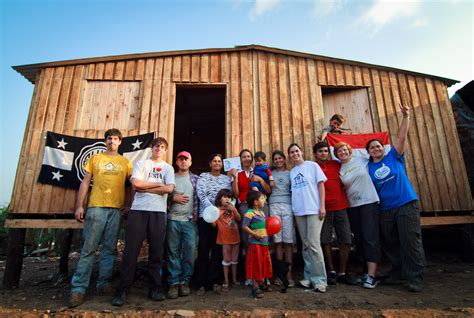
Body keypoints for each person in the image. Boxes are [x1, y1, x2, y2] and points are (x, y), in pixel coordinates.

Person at [68, 128, 133, 308]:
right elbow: (84, 182)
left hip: (116, 210)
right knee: (88, 248)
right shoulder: (95, 159)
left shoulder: (126, 162)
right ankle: (78, 289)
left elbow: (132, 186)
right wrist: (80, 205)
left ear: (120, 142)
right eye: (109, 138)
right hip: (95, 207)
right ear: (105, 141)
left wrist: (130, 204)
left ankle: (103, 284)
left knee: (109, 249)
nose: (112, 141)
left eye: (115, 139)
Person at [366, 104, 426, 292]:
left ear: (383, 148)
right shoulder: (368, 168)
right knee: (391, 243)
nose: (376, 149)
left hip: (406, 204)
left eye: (378, 146)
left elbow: (401, 137)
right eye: (372, 148)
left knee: (410, 241)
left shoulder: (394, 157)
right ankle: (398, 272)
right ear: (368, 152)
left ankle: (414, 277)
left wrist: (406, 117)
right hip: (385, 209)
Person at [111, 137, 175, 306]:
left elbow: (169, 188)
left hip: (158, 213)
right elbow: (136, 185)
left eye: (162, 147)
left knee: (156, 253)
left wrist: (147, 186)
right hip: (138, 210)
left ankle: (155, 288)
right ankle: (122, 290)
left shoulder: (168, 168)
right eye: (156, 146)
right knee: (131, 252)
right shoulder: (141, 164)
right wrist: (158, 186)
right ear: (151, 148)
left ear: (165, 150)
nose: (158, 149)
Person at [335, 141, 381, 289]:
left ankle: (372, 276)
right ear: (336, 155)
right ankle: (365, 272)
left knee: (370, 237)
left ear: (349, 150)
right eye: (339, 151)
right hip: (353, 206)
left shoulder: (361, 159)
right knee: (360, 239)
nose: (342, 152)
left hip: (369, 202)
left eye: (344, 150)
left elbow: (377, 155)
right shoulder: (340, 169)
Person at [288, 143, 328, 293]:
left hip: (314, 210)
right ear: (290, 156)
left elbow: (321, 186)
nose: (295, 154)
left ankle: (320, 280)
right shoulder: (292, 172)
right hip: (299, 212)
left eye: (297, 151)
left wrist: (322, 206)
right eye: (292, 152)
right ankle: (309, 277)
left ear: (302, 152)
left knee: (313, 244)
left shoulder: (312, 166)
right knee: (305, 245)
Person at [313, 142, 354, 285]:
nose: (323, 153)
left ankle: (342, 272)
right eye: (320, 151)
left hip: (341, 206)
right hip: (323, 209)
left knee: (346, 239)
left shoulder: (337, 164)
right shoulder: (312, 167)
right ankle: (330, 271)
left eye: (325, 151)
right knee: (325, 240)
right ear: (315, 154)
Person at [195, 153, 232, 295]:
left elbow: (229, 197)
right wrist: (212, 211)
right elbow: (201, 194)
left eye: (219, 161)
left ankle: (215, 281)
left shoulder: (226, 179)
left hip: (222, 219)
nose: (217, 163)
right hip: (205, 217)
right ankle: (201, 283)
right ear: (210, 163)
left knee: (217, 250)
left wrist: (220, 213)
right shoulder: (203, 176)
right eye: (214, 161)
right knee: (203, 249)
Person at [166, 151, 199, 299]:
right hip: (172, 219)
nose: (183, 162)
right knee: (173, 252)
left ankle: (185, 281)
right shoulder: (170, 177)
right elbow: (162, 194)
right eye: (181, 159)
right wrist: (173, 197)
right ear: (177, 162)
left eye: (186, 159)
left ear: (191, 162)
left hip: (189, 221)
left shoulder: (196, 179)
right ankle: (174, 283)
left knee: (190, 252)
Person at [268, 150, 295, 287]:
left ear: (284, 160)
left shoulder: (291, 173)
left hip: (288, 205)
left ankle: (289, 274)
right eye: (275, 159)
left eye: (280, 158)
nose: (278, 161)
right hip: (273, 205)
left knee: (288, 241)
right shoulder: (270, 173)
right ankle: (280, 275)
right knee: (277, 241)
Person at [242, 190, 273, 299]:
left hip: (264, 243)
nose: (264, 200)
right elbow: (244, 226)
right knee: (256, 264)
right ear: (255, 202)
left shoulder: (262, 213)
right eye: (262, 198)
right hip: (255, 243)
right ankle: (255, 287)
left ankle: (261, 283)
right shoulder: (249, 213)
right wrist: (254, 234)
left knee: (263, 263)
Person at [213, 189, 241, 292]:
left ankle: (234, 279)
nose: (227, 199)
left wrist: (234, 210)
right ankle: (226, 281)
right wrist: (210, 219)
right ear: (219, 199)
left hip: (235, 237)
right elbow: (214, 224)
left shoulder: (233, 209)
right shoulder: (216, 210)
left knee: (234, 260)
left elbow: (239, 219)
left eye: (229, 197)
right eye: (224, 197)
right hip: (224, 239)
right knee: (226, 260)